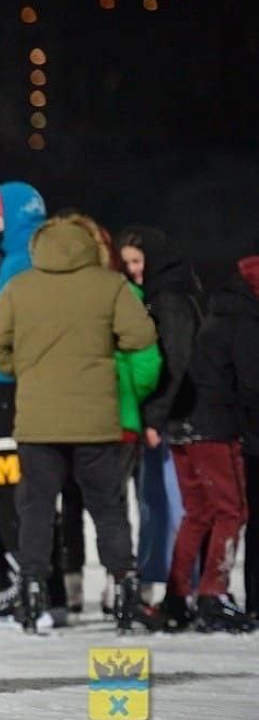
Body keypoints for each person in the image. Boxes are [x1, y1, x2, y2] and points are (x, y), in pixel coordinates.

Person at [0, 216, 166, 634]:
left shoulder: (21, 288)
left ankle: (30, 590)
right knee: (108, 508)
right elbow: (141, 337)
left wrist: (22, 367)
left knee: (36, 509)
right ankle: (125, 586)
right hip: (96, 423)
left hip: (38, 424)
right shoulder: (110, 286)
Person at [161, 250, 256, 632]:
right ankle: (213, 594)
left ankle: (177, 595)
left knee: (198, 513)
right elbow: (252, 384)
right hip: (214, 428)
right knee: (232, 511)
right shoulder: (246, 322)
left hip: (183, 423)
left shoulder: (218, 316)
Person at [0, 181, 49, 627]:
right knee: (35, 488)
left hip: (8, 394)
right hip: (40, 391)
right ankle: (35, 585)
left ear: (15, 217)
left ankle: (24, 585)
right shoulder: (42, 259)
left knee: (7, 484)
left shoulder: (16, 266)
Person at [118, 227, 198, 604]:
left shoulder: (169, 299)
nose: (132, 270)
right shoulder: (155, 295)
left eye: (138, 262)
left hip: (178, 416)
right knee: (155, 501)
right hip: (165, 414)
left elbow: (177, 362)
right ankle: (164, 578)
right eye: (127, 263)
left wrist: (155, 415)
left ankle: (179, 583)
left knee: (171, 503)